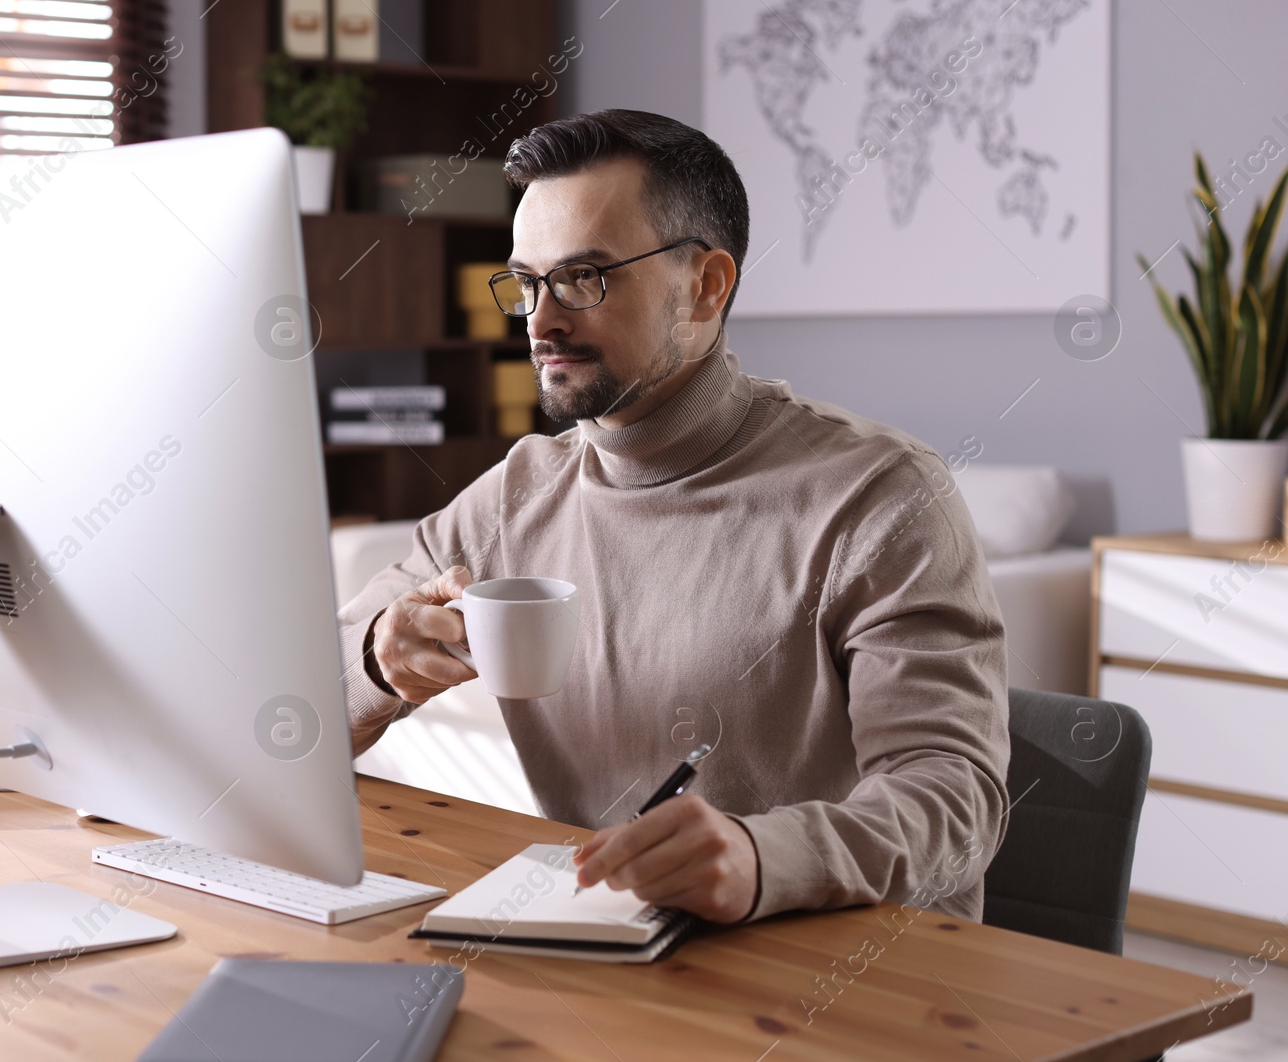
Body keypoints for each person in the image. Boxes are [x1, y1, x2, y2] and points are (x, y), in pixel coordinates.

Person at [337, 109, 1009, 926]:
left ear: (705, 285)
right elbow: (295, 704)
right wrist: (378, 659)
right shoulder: (517, 494)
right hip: (610, 957)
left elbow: (955, 802)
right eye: (526, 282)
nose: (541, 320)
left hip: (848, 982)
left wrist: (767, 858)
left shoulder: (881, 494)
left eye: (584, 277)